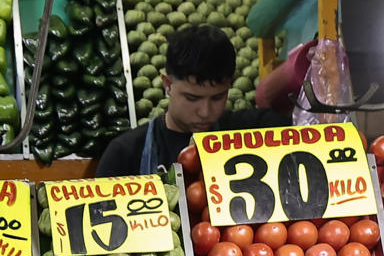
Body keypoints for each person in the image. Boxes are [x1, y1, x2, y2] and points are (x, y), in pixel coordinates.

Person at [92, 24, 295, 177]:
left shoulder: (248, 129)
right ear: (168, 84)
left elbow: (306, 130)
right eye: (192, 98)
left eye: (217, 97)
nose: (205, 111)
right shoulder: (125, 154)